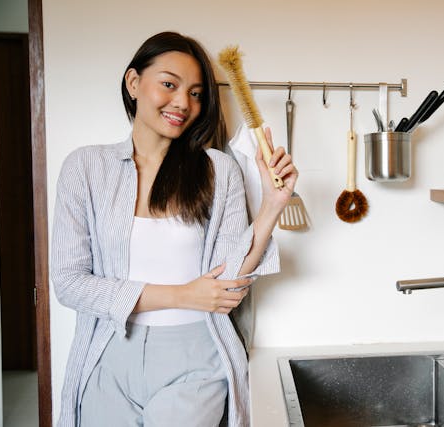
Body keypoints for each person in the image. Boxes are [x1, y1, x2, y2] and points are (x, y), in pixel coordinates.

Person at [51, 31, 297, 427]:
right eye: (169, 84)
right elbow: (69, 283)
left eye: (197, 93)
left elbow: (228, 284)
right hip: (108, 353)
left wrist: (271, 206)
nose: (183, 103)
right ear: (134, 83)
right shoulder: (85, 168)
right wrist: (183, 294)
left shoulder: (218, 170)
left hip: (195, 358)